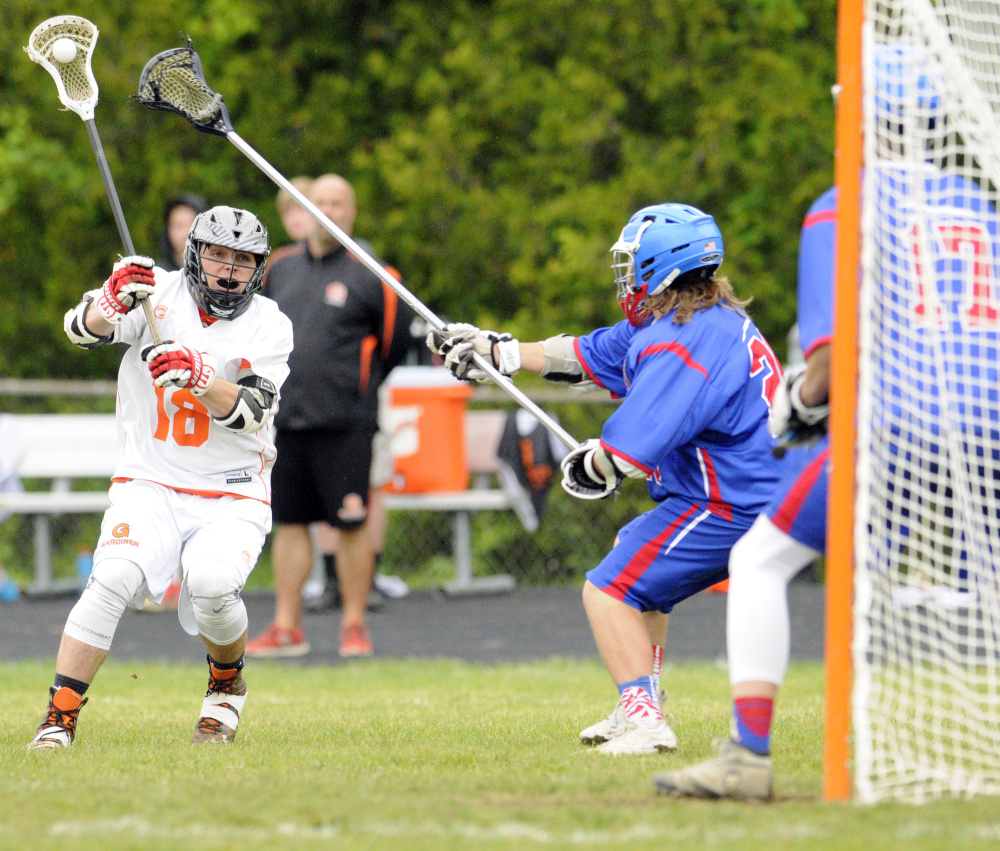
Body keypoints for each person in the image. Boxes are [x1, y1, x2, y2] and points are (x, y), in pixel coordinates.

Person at [653, 43, 999, 799]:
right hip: (990, 428)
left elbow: (833, 353)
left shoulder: (845, 203)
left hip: (897, 421)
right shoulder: (980, 206)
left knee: (761, 560)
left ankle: (747, 754)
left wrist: (802, 405)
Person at [428, 202, 783, 754]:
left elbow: (626, 456)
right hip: (735, 493)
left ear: (663, 266)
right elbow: (585, 354)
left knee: (610, 588)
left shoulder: (680, 340)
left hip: (731, 503)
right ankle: (639, 702)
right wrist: (495, 351)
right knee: (634, 562)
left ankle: (644, 718)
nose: (624, 274)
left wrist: (592, 464)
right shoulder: (692, 319)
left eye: (632, 262)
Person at [28, 206, 292, 749]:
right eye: (217, 254)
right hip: (149, 480)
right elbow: (79, 332)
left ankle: (225, 687)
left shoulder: (271, 322)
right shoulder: (156, 293)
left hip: (232, 487)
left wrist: (199, 376)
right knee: (114, 576)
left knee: (214, 586)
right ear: (195, 254)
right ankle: (59, 717)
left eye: (242, 260)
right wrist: (108, 301)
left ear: (258, 268)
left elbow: (252, 411)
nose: (228, 269)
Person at [246, 173, 412, 659]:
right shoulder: (279, 267)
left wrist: (355, 386)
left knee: (351, 524)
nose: (327, 211)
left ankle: (354, 626)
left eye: (337, 203)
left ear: (351, 212)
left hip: (348, 423)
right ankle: (286, 627)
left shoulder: (375, 274)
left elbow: (393, 345)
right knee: (291, 524)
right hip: (287, 420)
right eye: (318, 202)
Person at [157, 193, 210, 272]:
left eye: (192, 225)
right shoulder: (158, 276)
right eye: (178, 226)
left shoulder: (219, 274)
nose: (185, 233)